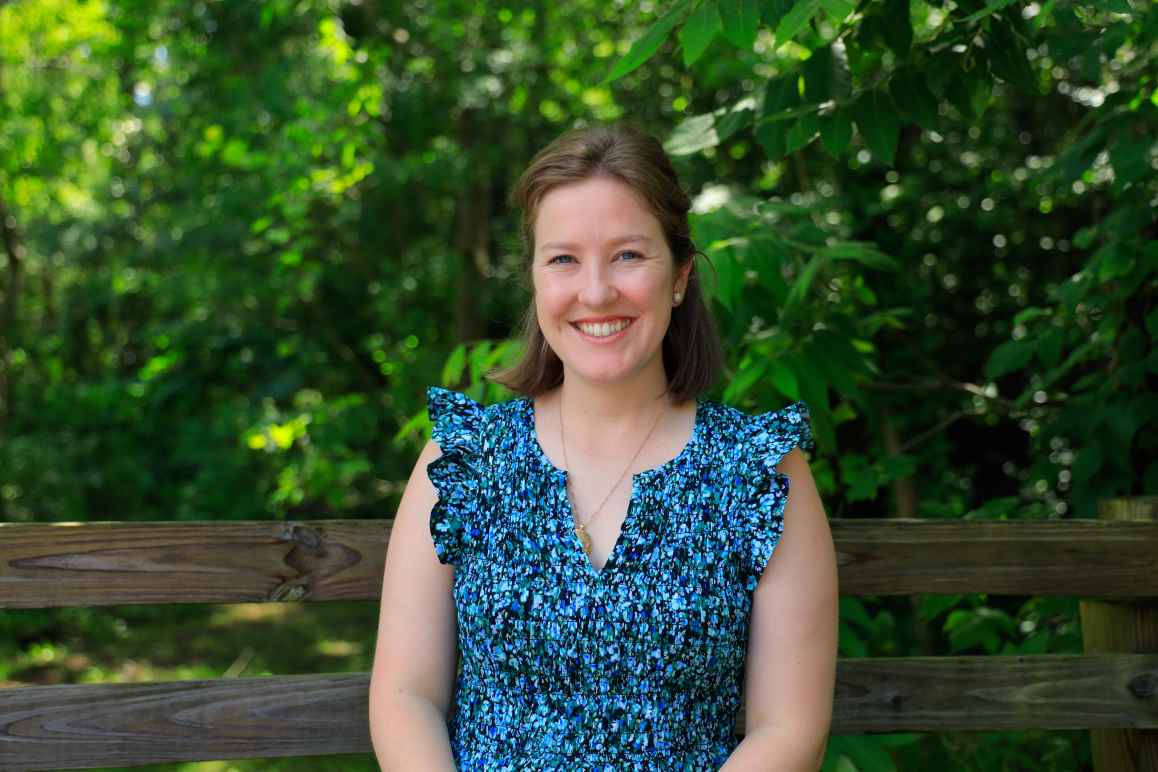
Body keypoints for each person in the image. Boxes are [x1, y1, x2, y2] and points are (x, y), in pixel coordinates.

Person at [368, 123, 838, 770]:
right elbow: (405, 695)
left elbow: (789, 728)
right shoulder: (465, 461)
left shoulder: (761, 472)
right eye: (563, 259)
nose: (595, 292)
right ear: (535, 279)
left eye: (628, 256)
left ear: (679, 276)